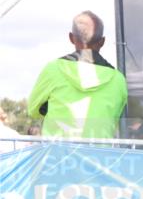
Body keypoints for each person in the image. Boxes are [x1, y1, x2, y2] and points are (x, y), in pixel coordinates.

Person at [28, 11, 126, 139]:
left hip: (56, 156)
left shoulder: (53, 69)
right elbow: (115, 117)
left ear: (71, 38)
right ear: (102, 42)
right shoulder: (118, 80)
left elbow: (33, 110)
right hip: (100, 158)